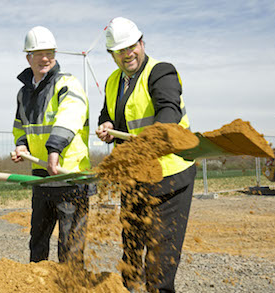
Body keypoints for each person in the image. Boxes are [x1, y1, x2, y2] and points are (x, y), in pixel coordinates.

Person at [96, 17, 196, 293]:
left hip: (170, 176)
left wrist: (146, 143)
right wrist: (106, 126)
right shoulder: (112, 81)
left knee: (160, 258)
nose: (127, 54)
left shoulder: (161, 72)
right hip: (133, 178)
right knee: (131, 249)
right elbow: (109, 115)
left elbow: (168, 112)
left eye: (131, 46)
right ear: (112, 54)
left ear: (141, 43)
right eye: (120, 50)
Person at [11, 26, 93, 265]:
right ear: (28, 57)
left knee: (71, 246)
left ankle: (71, 287)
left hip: (71, 176)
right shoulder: (23, 93)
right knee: (37, 241)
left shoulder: (68, 84)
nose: (44, 58)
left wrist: (54, 149)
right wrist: (21, 145)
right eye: (38, 53)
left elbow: (70, 115)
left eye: (49, 53)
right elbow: (20, 125)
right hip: (42, 176)